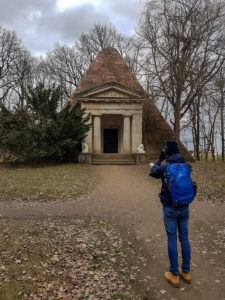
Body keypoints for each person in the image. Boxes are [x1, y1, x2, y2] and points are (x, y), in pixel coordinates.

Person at [150, 140, 196, 287]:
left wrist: (160, 158)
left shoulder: (165, 167)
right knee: (184, 239)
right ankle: (186, 272)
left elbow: (152, 172)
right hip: (185, 206)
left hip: (170, 208)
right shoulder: (187, 166)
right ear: (178, 152)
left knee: (172, 239)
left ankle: (174, 274)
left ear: (167, 153)